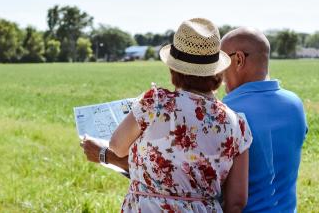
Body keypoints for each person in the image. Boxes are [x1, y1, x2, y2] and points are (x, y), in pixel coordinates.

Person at [86, 18, 253, 212]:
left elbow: (117, 147)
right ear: (217, 71)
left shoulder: (155, 103)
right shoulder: (237, 124)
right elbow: (237, 201)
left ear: (174, 68)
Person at [220, 27, 307, 212]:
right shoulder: (295, 104)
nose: (219, 74)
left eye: (222, 61)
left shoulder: (226, 111)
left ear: (238, 59)